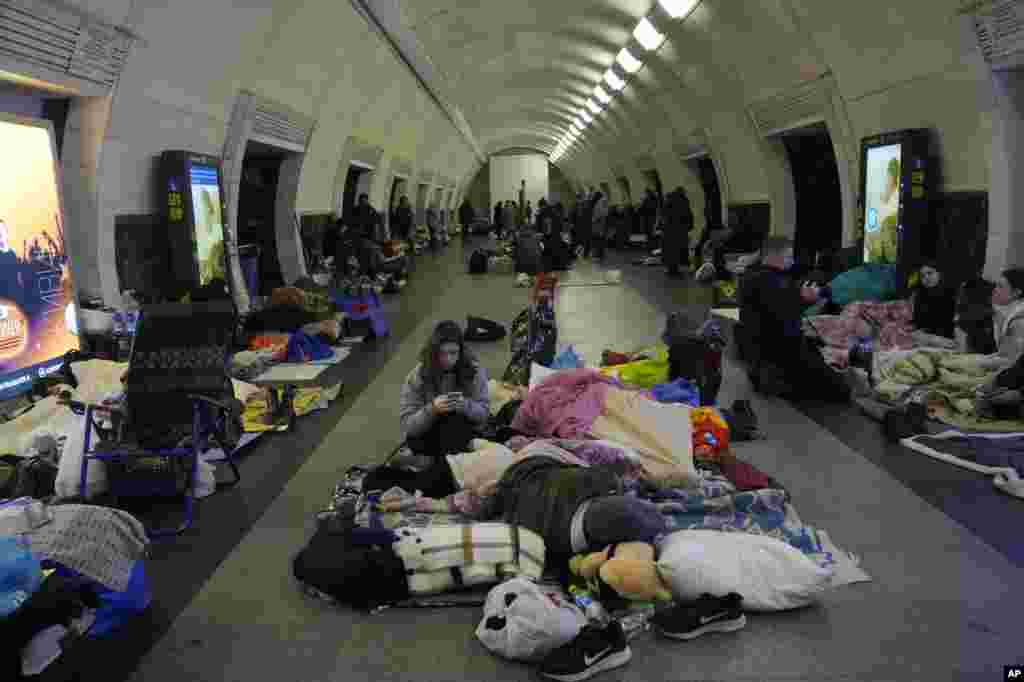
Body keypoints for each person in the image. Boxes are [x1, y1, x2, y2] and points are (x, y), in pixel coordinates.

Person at [738, 235, 850, 402]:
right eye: (788, 257)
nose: (791, 261)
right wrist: (805, 300)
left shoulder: (753, 277)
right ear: (774, 256)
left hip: (759, 356)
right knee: (842, 390)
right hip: (779, 356)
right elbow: (784, 323)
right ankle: (782, 383)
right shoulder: (773, 282)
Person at [399, 321, 490, 457]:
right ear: (434, 352)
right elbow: (408, 426)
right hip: (429, 434)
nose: (448, 359)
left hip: (462, 432)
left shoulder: (474, 371)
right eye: (442, 353)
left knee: (453, 423)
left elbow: (483, 415)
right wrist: (433, 409)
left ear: (461, 351)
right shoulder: (417, 376)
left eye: (453, 353)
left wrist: (464, 405)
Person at [911, 262, 956, 338]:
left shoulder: (951, 294)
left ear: (939, 273)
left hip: (948, 340)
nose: (926, 278)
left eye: (930, 273)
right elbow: (917, 323)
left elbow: (950, 325)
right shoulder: (920, 296)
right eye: (922, 276)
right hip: (926, 341)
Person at [991, 267, 1024, 366]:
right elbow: (1004, 354)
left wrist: (975, 362)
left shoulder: (1019, 321)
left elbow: (1012, 361)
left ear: (1016, 293)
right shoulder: (1006, 313)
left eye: (1000, 286)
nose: (995, 290)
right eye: (996, 285)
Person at [662, 187, 695, 277]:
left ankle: (671, 268)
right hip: (681, 228)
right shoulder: (684, 200)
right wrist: (689, 225)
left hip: (670, 228)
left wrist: (663, 226)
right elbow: (688, 213)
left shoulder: (669, 199)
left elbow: (664, 214)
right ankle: (677, 267)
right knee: (678, 248)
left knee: (670, 249)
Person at [591, 191, 609, 261]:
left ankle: (598, 255)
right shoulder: (603, 202)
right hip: (601, 224)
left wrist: (594, 219)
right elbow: (605, 212)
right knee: (600, 240)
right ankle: (600, 255)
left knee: (598, 240)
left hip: (598, 225)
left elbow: (599, 213)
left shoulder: (599, 203)